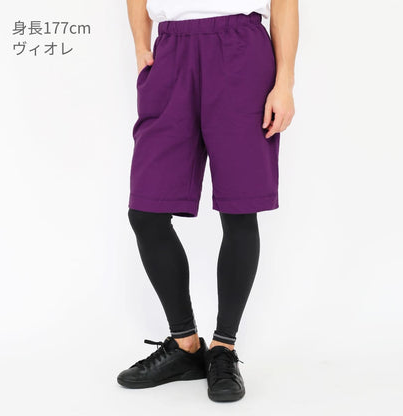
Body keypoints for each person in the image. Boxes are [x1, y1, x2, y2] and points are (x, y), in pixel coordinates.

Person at [117, 0, 298, 402]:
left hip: (241, 48)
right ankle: (184, 346)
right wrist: (141, 45)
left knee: (239, 208)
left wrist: (284, 81)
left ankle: (223, 348)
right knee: (146, 212)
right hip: (170, 54)